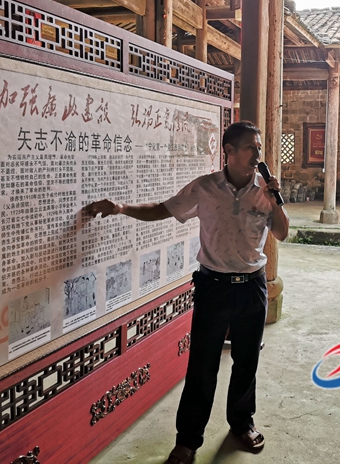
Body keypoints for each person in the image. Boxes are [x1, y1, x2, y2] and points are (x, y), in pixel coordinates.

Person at [87, 121, 289, 464]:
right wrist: (121, 208)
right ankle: (188, 441)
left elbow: (282, 233)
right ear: (229, 151)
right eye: (251, 147)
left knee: (247, 362)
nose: (258, 154)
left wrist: (275, 200)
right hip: (214, 287)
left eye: (259, 148)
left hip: (251, 287)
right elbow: (163, 209)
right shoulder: (205, 188)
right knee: (202, 365)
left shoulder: (264, 190)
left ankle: (242, 424)